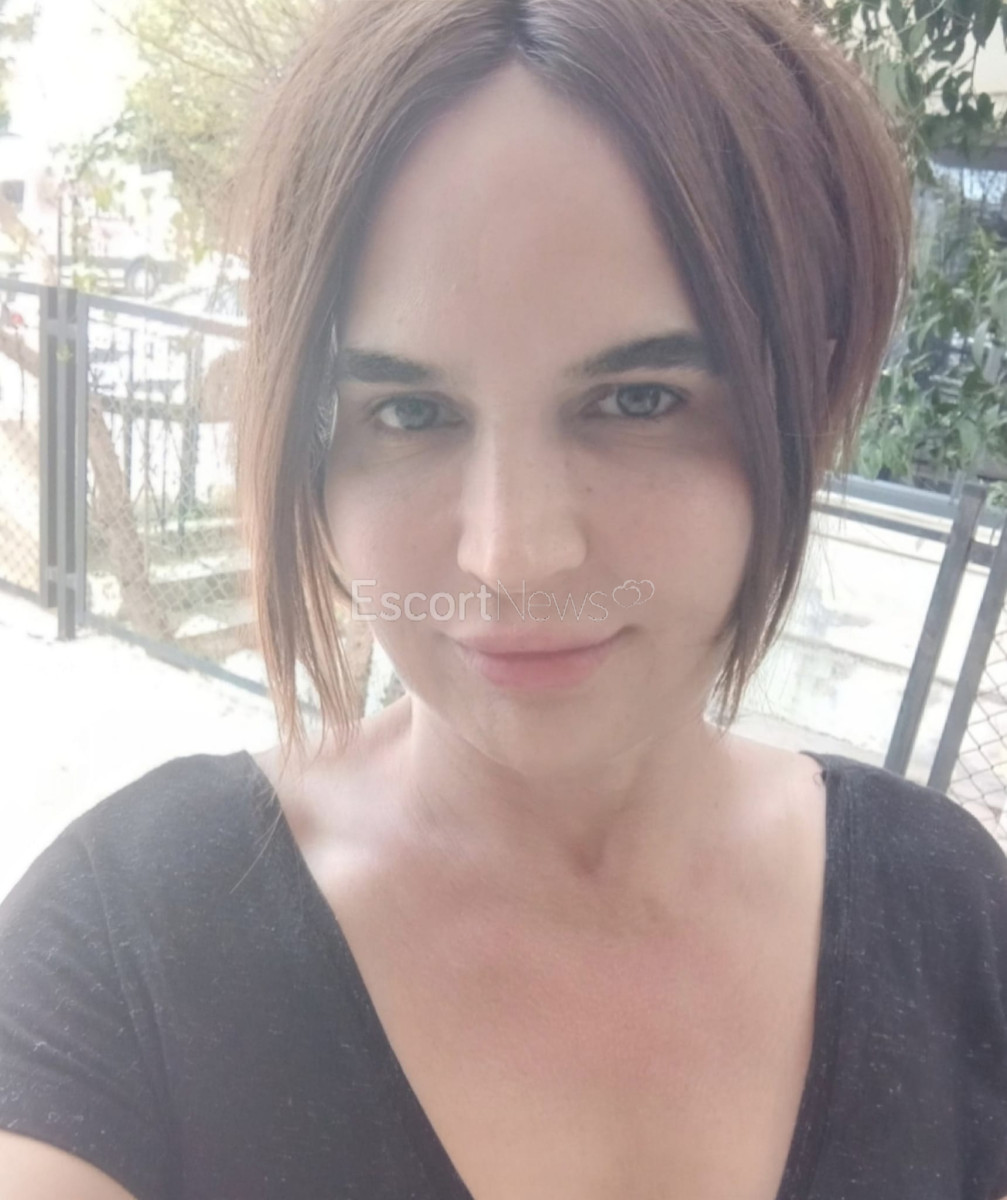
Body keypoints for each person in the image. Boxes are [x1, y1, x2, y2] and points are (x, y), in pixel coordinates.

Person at [2, 0, 1006, 1196]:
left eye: (637, 399)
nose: (512, 554)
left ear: (806, 390)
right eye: (410, 412)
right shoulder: (130, 943)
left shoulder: (949, 916)